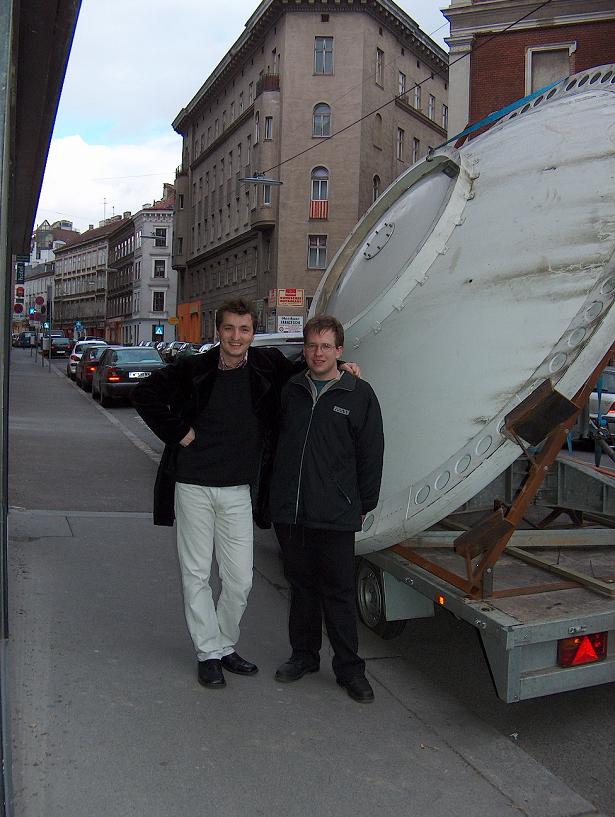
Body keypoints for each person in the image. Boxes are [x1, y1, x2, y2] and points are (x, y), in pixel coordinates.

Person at [132, 299, 359, 690]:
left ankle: (223, 643)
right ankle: (208, 653)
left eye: (244, 330)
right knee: (196, 575)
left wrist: (344, 367)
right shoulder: (194, 368)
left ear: (253, 333)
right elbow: (145, 394)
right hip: (193, 486)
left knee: (239, 580)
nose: (236, 337)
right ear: (217, 330)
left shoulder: (266, 366)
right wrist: (179, 432)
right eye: (229, 329)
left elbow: (309, 367)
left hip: (238, 490)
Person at [269, 315, 384, 703]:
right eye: (312, 346)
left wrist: (365, 502)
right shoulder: (291, 390)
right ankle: (303, 656)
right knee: (302, 588)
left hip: (336, 513)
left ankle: (350, 670)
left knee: (339, 593)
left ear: (339, 351)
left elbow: (371, 453)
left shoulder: (359, 394)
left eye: (326, 347)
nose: (318, 353)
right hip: (292, 511)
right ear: (304, 350)